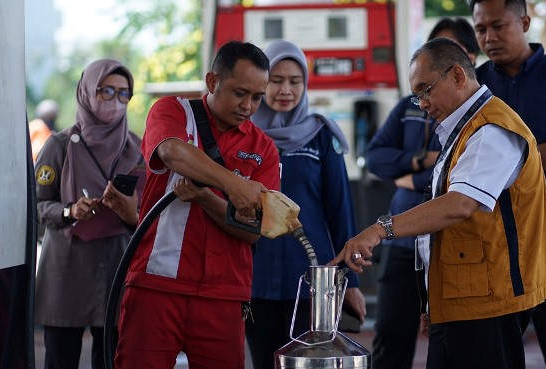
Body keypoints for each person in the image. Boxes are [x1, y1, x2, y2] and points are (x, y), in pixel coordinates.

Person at [330, 38, 546, 368]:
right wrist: (435, 301)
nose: (422, 103)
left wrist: (380, 229)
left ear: (457, 75)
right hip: (464, 300)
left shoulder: (492, 130)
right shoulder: (464, 130)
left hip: (488, 303)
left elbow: (458, 205)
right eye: (417, 95)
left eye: (426, 90)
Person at [114, 41, 280, 369]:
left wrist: (207, 198)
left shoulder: (265, 147)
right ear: (212, 81)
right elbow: (172, 152)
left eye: (258, 97)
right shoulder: (172, 110)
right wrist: (235, 185)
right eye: (239, 93)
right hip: (157, 284)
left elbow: (253, 233)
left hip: (225, 294)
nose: (248, 105)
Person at [470, 0, 546, 367]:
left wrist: (500, 163)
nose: (489, 37)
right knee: (492, 354)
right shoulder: (473, 84)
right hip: (488, 238)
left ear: (524, 22)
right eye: (480, 30)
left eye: (498, 26)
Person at [244, 40, 367, 369]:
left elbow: (340, 213)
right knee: (264, 362)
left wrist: (351, 283)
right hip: (254, 277)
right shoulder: (245, 135)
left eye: (295, 81)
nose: (285, 90)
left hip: (313, 279)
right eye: (276, 80)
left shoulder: (321, 137)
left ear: (305, 85)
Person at [365, 18, 479, 369]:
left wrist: (412, 179)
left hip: (451, 245)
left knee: (447, 344)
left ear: (464, 64)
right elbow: (375, 158)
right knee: (390, 338)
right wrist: (417, 158)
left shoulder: (481, 117)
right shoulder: (409, 106)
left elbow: (456, 182)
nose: (425, 98)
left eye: (441, 57)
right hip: (402, 242)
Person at [34, 59, 143, 369]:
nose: (115, 100)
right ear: (86, 92)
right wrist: (70, 210)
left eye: (124, 94)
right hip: (67, 270)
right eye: (106, 91)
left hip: (117, 268)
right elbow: (37, 206)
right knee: (60, 358)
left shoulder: (136, 149)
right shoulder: (59, 145)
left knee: (111, 359)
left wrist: (130, 211)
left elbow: (151, 214)